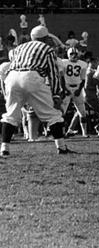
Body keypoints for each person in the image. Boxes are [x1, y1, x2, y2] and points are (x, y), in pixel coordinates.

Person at [0, 25, 72, 156]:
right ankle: (61, 147)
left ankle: (4, 148)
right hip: (31, 77)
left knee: (11, 115)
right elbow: (52, 73)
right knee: (53, 114)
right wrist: (56, 94)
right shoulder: (47, 49)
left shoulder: (19, 47)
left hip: (12, 77)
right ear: (44, 38)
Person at [61, 47, 89, 137]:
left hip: (77, 88)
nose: (73, 56)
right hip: (67, 87)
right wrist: (65, 89)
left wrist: (79, 90)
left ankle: (84, 133)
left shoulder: (83, 64)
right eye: (71, 54)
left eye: (75, 54)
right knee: (62, 113)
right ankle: (62, 132)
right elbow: (61, 77)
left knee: (82, 112)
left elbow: (83, 79)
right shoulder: (63, 62)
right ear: (68, 55)